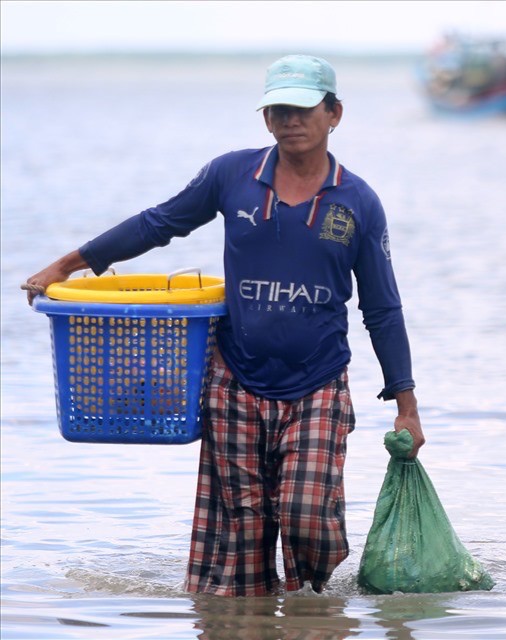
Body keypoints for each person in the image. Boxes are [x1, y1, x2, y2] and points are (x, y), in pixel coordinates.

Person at [22, 54, 426, 597]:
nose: (290, 119)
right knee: (242, 541)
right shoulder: (232, 175)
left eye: (304, 108)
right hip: (235, 380)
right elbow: (158, 222)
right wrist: (68, 264)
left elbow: (382, 308)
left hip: (318, 383)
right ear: (265, 118)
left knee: (307, 516)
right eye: (278, 109)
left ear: (334, 114)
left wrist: (406, 403)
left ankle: (314, 606)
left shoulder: (357, 203)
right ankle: (254, 620)